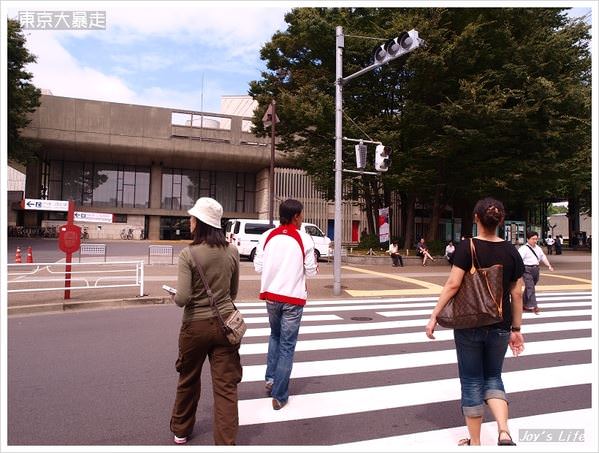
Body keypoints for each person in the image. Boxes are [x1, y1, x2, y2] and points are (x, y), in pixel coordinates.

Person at [425, 197, 525, 447]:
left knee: (471, 380)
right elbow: (517, 293)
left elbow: (453, 284)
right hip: (501, 325)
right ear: (500, 220)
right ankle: (503, 431)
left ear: (476, 218)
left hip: (468, 323)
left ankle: (476, 442)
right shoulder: (512, 251)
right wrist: (516, 329)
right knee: (493, 377)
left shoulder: (466, 247)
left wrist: (435, 314)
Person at [169, 197, 242, 445]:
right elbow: (232, 293)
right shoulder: (232, 251)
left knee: (188, 378)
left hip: (195, 326)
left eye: (192, 218)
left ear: (199, 222)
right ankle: (226, 442)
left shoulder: (188, 254)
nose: (189, 222)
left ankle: (181, 430)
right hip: (225, 325)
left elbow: (183, 298)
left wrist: (174, 296)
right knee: (226, 387)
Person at [254, 199, 318, 410]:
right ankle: (280, 395)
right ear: (295, 217)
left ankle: (271, 379)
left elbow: (258, 267)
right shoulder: (304, 239)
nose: (302, 219)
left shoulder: (267, 236)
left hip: (271, 296)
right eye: (301, 215)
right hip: (293, 299)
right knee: (287, 346)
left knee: (275, 336)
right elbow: (311, 272)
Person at [518, 231, 554, 314]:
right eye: (533, 239)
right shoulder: (523, 248)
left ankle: (523, 304)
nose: (535, 241)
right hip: (526, 269)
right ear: (528, 239)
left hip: (536, 269)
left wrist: (549, 265)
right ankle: (534, 306)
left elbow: (543, 257)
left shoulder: (538, 248)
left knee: (529, 287)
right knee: (531, 288)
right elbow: (519, 260)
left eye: (536, 239)